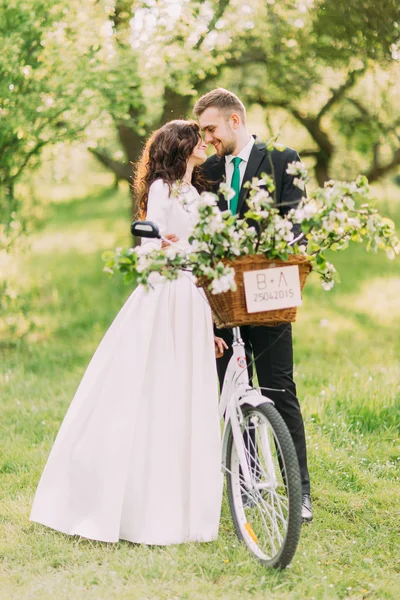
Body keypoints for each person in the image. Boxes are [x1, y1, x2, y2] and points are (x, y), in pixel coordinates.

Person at [30, 120, 227, 545]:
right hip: (165, 297)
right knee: (154, 392)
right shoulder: (162, 188)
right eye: (197, 137)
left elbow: (199, 252)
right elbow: (149, 247)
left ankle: (183, 502)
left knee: (187, 397)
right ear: (182, 146)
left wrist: (210, 319)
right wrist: (168, 248)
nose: (204, 142)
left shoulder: (195, 193)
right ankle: (133, 502)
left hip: (192, 300)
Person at [193, 88, 313, 523]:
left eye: (211, 129)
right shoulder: (205, 170)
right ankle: (248, 483)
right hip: (222, 300)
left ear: (235, 121)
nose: (207, 139)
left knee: (280, 389)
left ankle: (299, 491)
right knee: (230, 392)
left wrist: (278, 246)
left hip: (269, 294)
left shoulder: (283, 157)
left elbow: (297, 219)